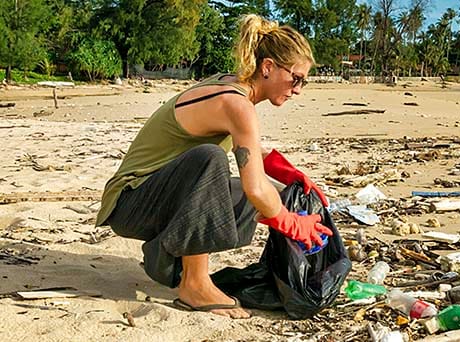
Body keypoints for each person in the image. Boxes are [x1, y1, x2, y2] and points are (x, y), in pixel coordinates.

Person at [95, 14, 332, 319]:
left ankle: (170, 256)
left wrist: (290, 175)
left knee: (265, 192)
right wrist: (289, 223)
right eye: (295, 78)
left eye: (304, 81)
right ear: (268, 67)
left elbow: (251, 152)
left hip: (157, 196)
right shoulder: (237, 104)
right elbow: (253, 184)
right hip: (130, 201)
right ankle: (194, 283)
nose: (298, 88)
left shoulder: (232, 86)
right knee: (211, 161)